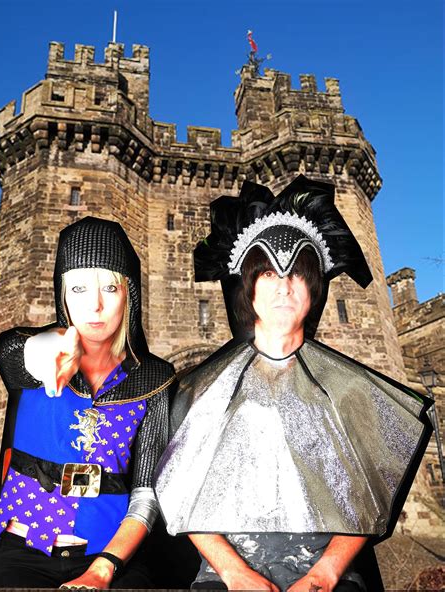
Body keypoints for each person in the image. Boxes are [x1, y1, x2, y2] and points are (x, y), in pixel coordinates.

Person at [154, 175, 432, 592]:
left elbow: (370, 493)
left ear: (314, 288)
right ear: (248, 287)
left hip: (329, 576)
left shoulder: (351, 388)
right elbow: (180, 488)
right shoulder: (201, 388)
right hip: (226, 577)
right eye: (268, 273)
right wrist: (234, 573)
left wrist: (325, 573)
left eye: (297, 273)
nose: (283, 287)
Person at [0, 217, 176, 589]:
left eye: (110, 287)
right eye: (79, 288)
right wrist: (49, 349)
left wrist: (104, 569)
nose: (95, 305)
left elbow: (145, 491)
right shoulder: (27, 358)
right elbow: (16, 352)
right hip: (24, 553)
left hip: (110, 557)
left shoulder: (154, 380)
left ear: (128, 294)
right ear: (63, 294)